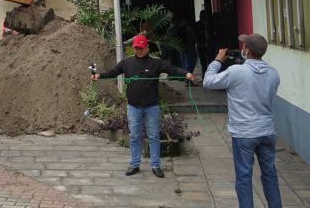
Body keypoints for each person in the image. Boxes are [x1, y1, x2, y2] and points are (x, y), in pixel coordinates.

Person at [92, 35, 193, 178]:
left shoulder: (156, 63)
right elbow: (113, 72)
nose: (138, 51)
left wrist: (186, 73)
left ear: (147, 48)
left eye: (141, 48)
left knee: (153, 137)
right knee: (134, 137)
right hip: (133, 107)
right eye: (136, 48)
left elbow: (171, 69)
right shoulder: (126, 63)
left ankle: (156, 166)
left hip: (151, 107)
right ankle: (134, 164)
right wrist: (99, 76)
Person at [203, 34, 282, 208]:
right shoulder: (273, 74)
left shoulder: (236, 71)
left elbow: (208, 82)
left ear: (246, 50)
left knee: (244, 177)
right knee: (270, 174)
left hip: (244, 133)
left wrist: (217, 61)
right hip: (267, 131)